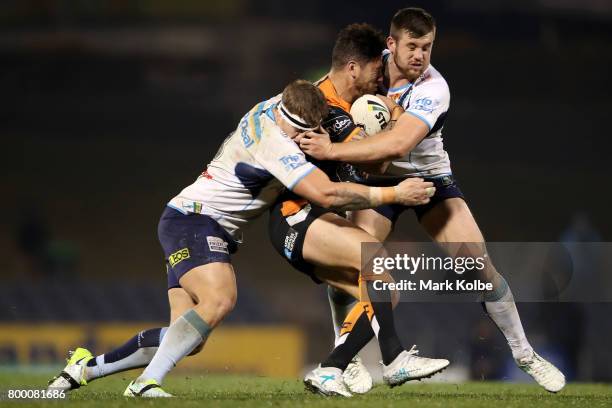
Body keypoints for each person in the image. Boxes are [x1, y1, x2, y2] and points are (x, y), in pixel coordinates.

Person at [47, 78, 435, 397]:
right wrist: (393, 194)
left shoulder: (274, 106)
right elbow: (327, 194)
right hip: (196, 221)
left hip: (188, 219)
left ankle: (85, 368)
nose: (305, 139)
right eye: (301, 131)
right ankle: (146, 383)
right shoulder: (275, 142)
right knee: (221, 298)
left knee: (188, 336)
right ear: (288, 122)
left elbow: (321, 96)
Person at [298, 7, 566, 394]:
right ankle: (348, 355)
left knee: (477, 264)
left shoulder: (432, 88)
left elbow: (398, 143)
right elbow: (329, 92)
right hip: (377, 182)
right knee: (355, 260)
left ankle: (525, 354)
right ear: (391, 45)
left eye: (427, 47)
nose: (420, 56)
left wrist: (331, 151)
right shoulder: (369, 68)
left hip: (429, 180)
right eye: (412, 46)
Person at [268, 23, 449, 397]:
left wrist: (383, 120)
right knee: (377, 264)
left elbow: (372, 167)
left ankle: (340, 368)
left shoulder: (348, 104)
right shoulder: (325, 108)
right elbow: (376, 158)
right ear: (353, 68)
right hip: (297, 215)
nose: (380, 77)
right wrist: (395, 124)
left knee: (382, 295)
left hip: (307, 222)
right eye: (374, 70)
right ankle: (386, 362)